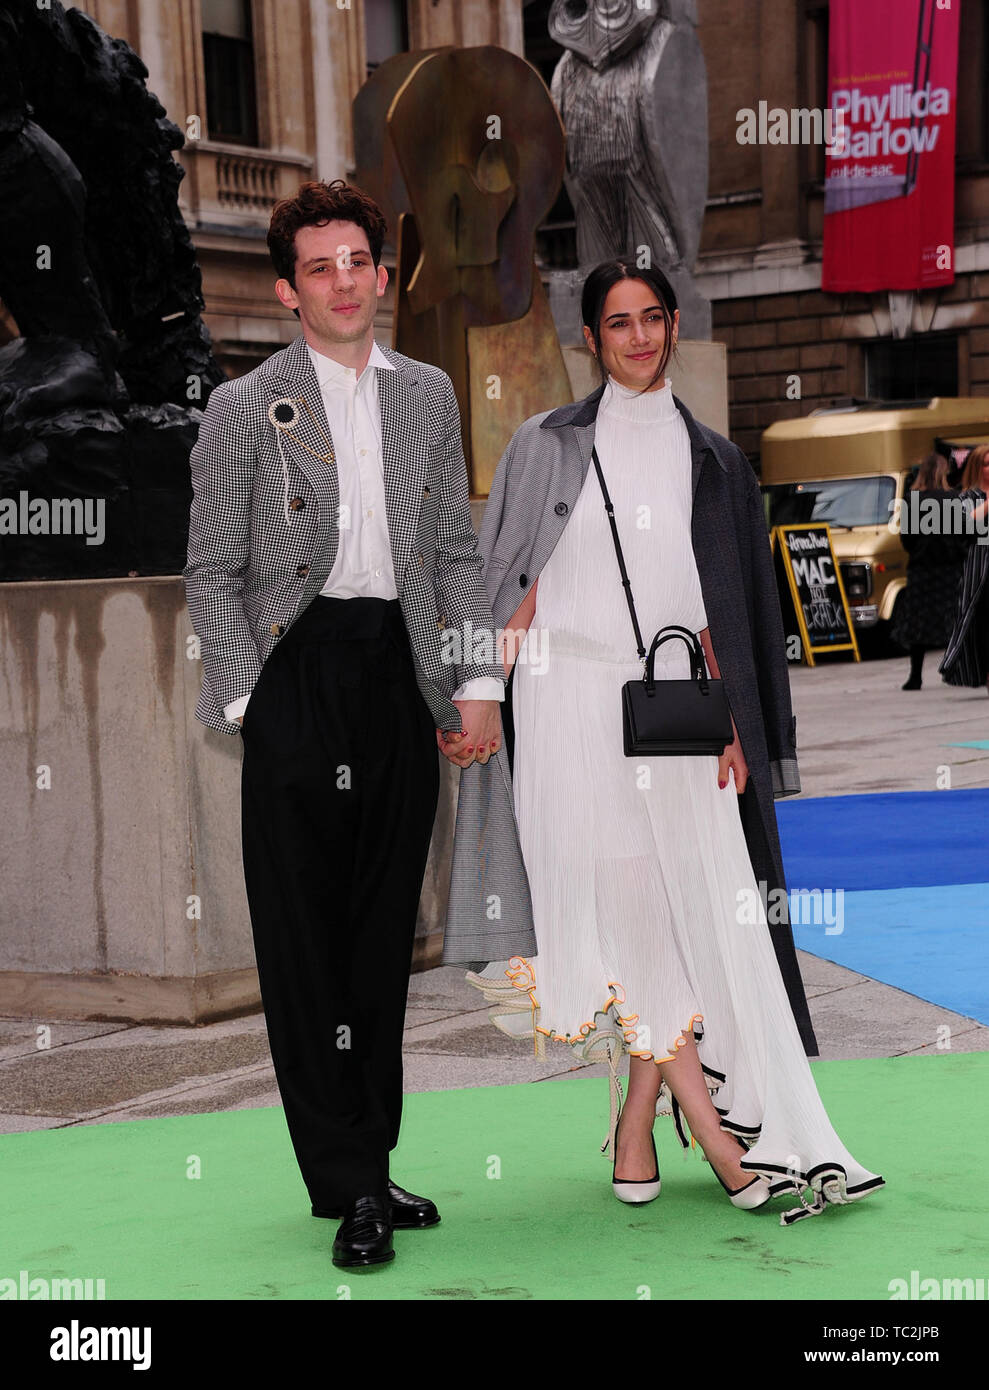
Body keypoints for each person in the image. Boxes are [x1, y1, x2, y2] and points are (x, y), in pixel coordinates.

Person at [448, 259, 884, 1224]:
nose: (638, 338)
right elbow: (500, 579)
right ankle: (721, 1137)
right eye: (617, 324)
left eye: (652, 319)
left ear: (673, 325)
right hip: (565, 704)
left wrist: (740, 723)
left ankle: (644, 1119)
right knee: (625, 912)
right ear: (592, 341)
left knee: (690, 913)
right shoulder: (545, 444)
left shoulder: (717, 461)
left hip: (677, 713)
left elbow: (736, 607)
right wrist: (477, 691)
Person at [183, 179, 506, 1269]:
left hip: (392, 678)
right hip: (295, 679)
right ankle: (348, 1181)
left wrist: (474, 684)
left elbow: (456, 556)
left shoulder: (426, 395)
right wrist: (249, 704)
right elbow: (211, 571)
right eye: (317, 267)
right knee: (303, 944)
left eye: (355, 261)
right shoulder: (244, 406)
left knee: (379, 938)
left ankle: (367, 1158)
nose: (341, 281)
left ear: (379, 271)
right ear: (288, 289)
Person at [891, 452, 966, 690]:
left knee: (919, 622)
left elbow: (907, 540)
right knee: (954, 619)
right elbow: (962, 535)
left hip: (922, 569)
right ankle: (957, 668)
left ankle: (915, 676)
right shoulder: (953, 498)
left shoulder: (912, 500)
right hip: (949, 568)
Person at [939, 443, 989, 693]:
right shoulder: (968, 498)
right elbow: (961, 526)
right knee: (977, 626)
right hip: (978, 570)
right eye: (987, 464)